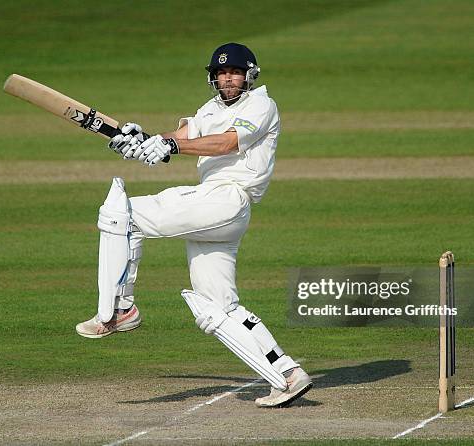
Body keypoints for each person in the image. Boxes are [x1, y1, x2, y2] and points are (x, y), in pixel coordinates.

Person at [76, 43, 312, 407]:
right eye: (220, 73)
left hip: (229, 199)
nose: (227, 78)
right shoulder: (209, 109)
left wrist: (168, 145)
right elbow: (182, 137)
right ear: (212, 77)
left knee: (121, 214)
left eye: (234, 72)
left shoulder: (262, 105)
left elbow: (224, 144)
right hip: (213, 209)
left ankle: (120, 309)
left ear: (250, 74)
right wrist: (141, 142)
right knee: (217, 305)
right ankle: (287, 374)